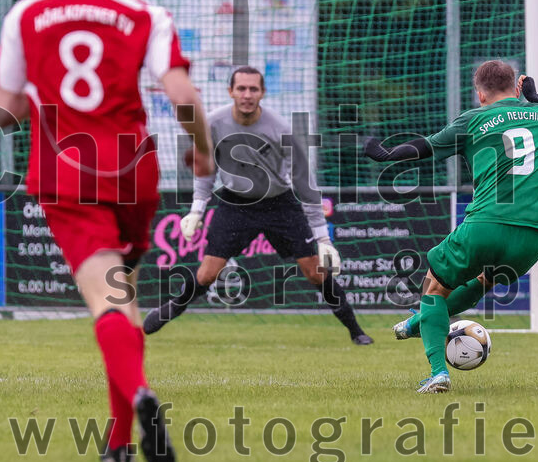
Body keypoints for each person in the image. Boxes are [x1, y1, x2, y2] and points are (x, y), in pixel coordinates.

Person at [0, 0, 212, 462]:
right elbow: (182, 96)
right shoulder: (144, 14)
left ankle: (139, 395)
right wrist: (204, 149)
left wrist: (33, 95)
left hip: (68, 176)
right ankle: (119, 445)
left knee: (108, 303)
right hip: (134, 174)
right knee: (124, 297)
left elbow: (2, 115)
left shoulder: (26, 14)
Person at [364, 60, 538, 393]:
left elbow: (424, 147)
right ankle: (416, 323)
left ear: (480, 94)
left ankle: (438, 372)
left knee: (433, 290)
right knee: (484, 280)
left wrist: (385, 154)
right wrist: (537, 97)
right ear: (515, 87)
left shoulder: (473, 120)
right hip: (532, 239)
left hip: (485, 226)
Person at [143, 66, 373, 345]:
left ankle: (356, 330)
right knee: (207, 274)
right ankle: (172, 308)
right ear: (230, 91)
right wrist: (197, 209)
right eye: (241, 88)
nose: (247, 95)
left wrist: (323, 239)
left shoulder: (280, 129)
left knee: (315, 272)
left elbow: (304, 182)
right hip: (235, 204)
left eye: (253, 89)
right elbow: (205, 169)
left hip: (279, 203)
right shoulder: (213, 123)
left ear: (262, 93)